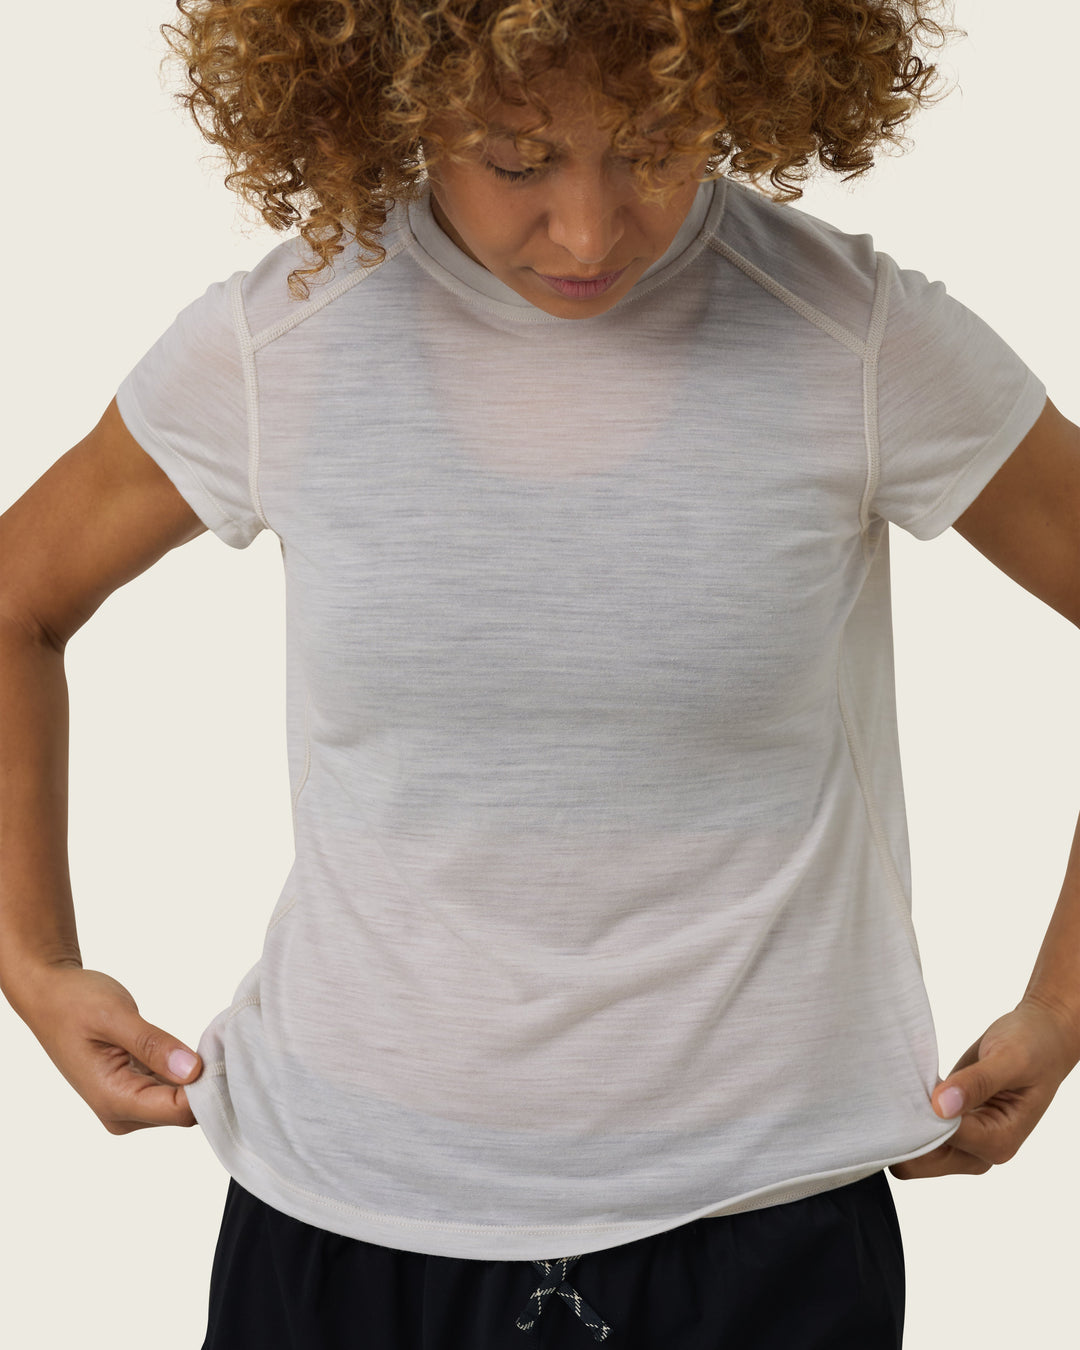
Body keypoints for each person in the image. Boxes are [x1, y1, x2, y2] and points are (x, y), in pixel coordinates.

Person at [1, 1, 1078, 1346]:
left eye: (655, 144)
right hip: (338, 1211)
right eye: (517, 159)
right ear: (395, 100)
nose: (587, 231)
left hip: (759, 1226)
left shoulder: (850, 336)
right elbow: (18, 600)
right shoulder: (283, 344)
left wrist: (1065, 1001)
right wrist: (30, 959)